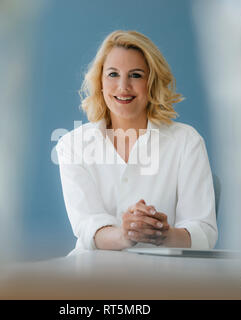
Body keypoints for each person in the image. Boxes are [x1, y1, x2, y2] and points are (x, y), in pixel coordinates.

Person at [56, 30, 217, 255]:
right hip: (91, 280)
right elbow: (87, 226)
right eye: (113, 74)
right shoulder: (71, 145)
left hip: (165, 281)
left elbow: (204, 232)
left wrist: (163, 234)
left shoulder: (187, 142)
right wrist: (125, 235)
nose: (123, 86)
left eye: (136, 75)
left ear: (152, 82)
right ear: (100, 81)